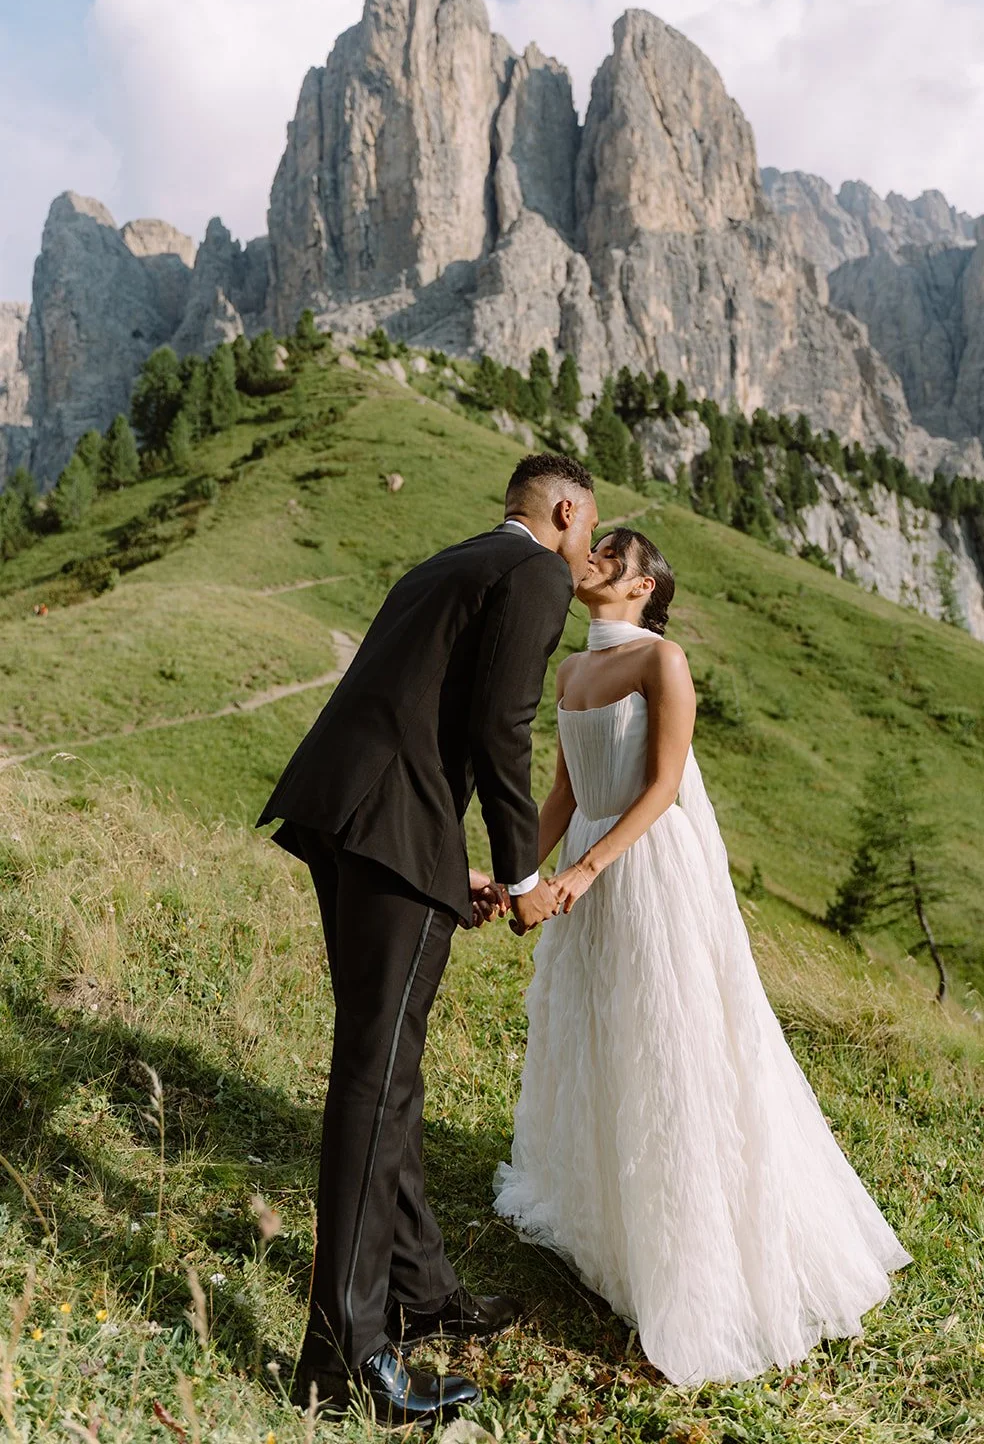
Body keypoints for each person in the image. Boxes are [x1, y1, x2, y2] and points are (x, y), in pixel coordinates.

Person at [494, 527, 911, 1384]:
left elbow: (660, 787)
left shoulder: (662, 661)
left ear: (643, 586)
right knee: (598, 1034)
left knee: (667, 1044)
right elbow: (566, 790)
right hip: (586, 868)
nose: (594, 559)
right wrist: (516, 877)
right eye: (594, 548)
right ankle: (616, 1221)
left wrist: (580, 873)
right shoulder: (571, 672)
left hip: (647, 869)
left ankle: (696, 1251)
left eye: (612, 554)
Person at [257, 453, 599, 1425]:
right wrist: (525, 877)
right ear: (565, 511)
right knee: (371, 1075)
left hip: (356, 819)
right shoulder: (534, 572)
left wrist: (460, 871)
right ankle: (343, 1355)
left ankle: (419, 1289)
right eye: (586, 532)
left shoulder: (445, 563)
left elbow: (416, 723)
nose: (581, 556)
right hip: (391, 836)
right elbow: (501, 728)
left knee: (389, 1067)